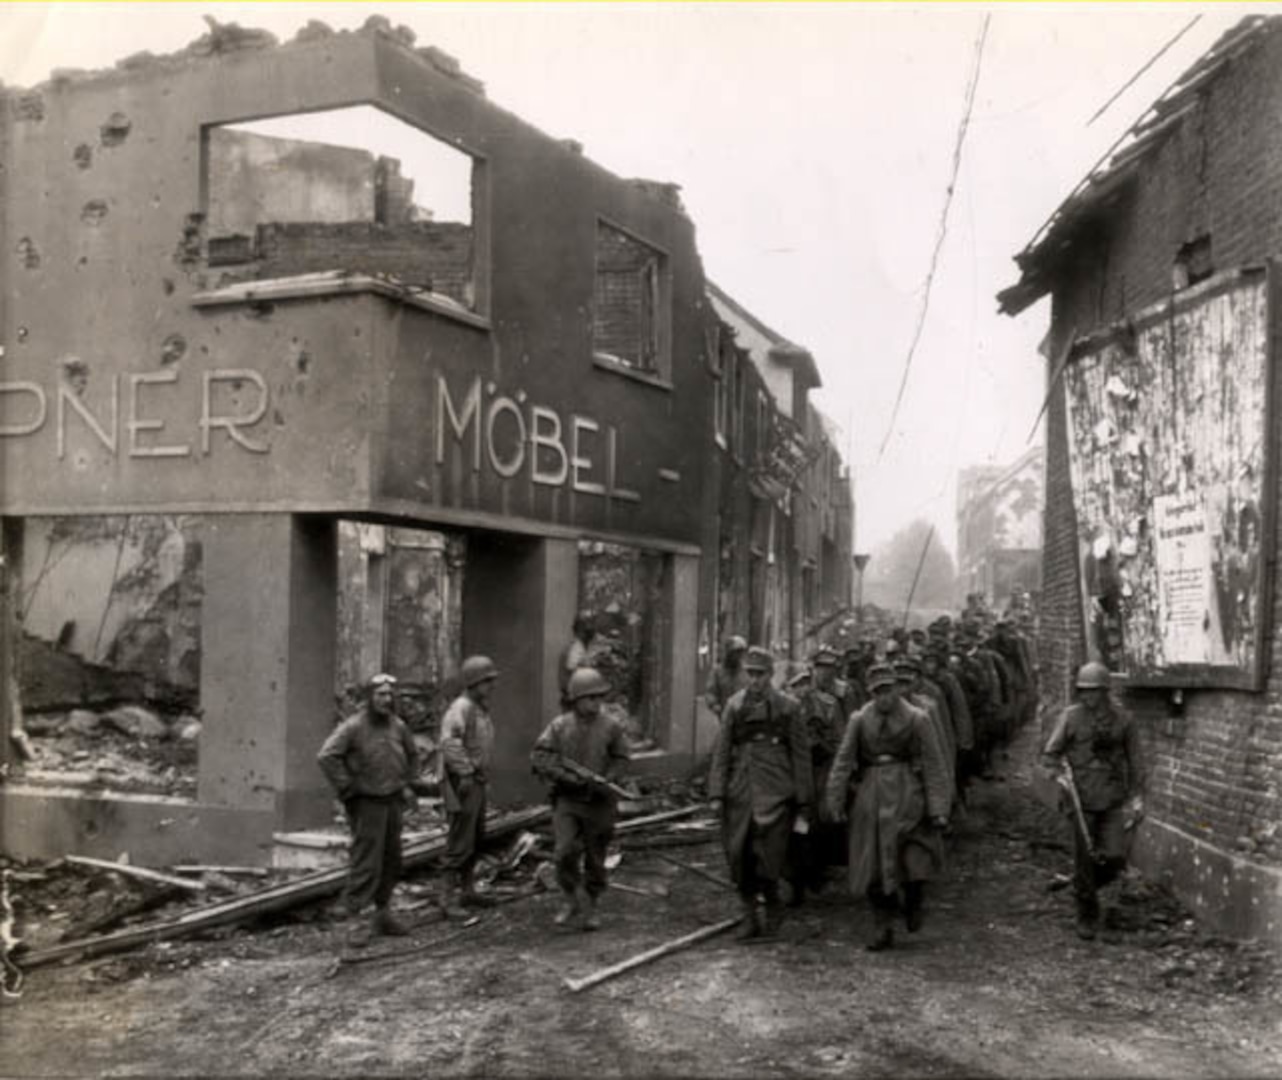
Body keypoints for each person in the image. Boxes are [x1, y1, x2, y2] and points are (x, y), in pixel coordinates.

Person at [826, 662, 950, 951]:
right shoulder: (859, 720)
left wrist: (938, 808)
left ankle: (914, 898)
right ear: (871, 693)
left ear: (897, 688)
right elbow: (843, 761)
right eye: (878, 692)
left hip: (908, 792)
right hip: (871, 794)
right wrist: (835, 798)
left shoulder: (918, 718)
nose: (884, 697)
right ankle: (882, 923)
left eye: (889, 690)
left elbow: (934, 764)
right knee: (872, 862)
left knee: (912, 857)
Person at [709, 645, 813, 941]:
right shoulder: (734, 706)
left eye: (761, 674)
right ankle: (750, 915)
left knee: (769, 855)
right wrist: (717, 793)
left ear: (771, 674)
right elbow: (722, 751)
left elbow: (800, 755)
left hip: (777, 789)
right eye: (750, 674)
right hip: (741, 789)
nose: (755, 680)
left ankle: (774, 904)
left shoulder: (788, 707)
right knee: (739, 853)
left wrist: (803, 798)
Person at [1041, 661, 1146, 940]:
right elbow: (1050, 754)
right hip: (1080, 800)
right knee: (1085, 859)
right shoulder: (1071, 717)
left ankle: (1082, 887)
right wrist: (1059, 776)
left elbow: (1136, 762)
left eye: (1092, 691)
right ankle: (1087, 915)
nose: (1086, 696)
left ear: (1105, 692)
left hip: (1112, 799)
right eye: (1083, 691)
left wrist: (1137, 797)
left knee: (1115, 857)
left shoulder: (1124, 720)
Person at [317, 672, 419, 947]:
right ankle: (353, 921)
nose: (387, 699)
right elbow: (327, 756)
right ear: (369, 698)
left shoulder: (398, 726)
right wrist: (347, 788)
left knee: (392, 858)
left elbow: (412, 756)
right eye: (381, 694)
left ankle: (382, 914)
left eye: (390, 694)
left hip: (393, 801)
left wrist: (407, 785)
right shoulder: (353, 727)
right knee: (367, 861)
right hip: (367, 802)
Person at [531, 666, 632, 931]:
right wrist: (567, 777)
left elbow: (622, 758)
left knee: (596, 858)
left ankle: (591, 904)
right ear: (576, 699)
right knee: (564, 852)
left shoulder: (611, 726)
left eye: (600, 698)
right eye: (590, 698)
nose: (596, 703)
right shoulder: (559, 726)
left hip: (600, 802)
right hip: (569, 800)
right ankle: (572, 898)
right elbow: (541, 756)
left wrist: (609, 779)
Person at [437, 655, 499, 918]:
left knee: (475, 838)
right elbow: (449, 742)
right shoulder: (461, 708)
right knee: (460, 840)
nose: (491, 686)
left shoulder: (479, 708)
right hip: (461, 782)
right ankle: (446, 898)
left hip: (475, 780)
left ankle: (468, 889)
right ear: (473, 682)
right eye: (487, 681)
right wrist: (464, 773)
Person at [789, 646, 846, 900]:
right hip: (793, 773)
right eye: (796, 684)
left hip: (821, 771)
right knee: (792, 825)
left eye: (804, 683)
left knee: (819, 822)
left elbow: (841, 741)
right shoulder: (784, 708)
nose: (801, 688)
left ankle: (815, 872)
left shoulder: (829, 705)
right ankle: (796, 879)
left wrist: (823, 746)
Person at [705, 634, 748, 719]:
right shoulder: (717, 671)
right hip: (724, 714)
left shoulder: (746, 671)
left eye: (741, 653)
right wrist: (714, 704)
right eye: (735, 652)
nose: (738, 656)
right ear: (729, 653)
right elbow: (710, 691)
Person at [559, 613, 596, 708]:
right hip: (574, 700)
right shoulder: (576, 647)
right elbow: (572, 668)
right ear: (581, 629)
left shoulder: (579, 646)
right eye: (588, 625)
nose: (591, 630)